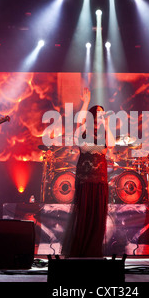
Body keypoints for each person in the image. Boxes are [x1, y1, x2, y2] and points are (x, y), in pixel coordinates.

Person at [62, 88, 114, 257]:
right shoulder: (84, 128)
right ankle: (81, 248)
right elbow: (82, 144)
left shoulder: (104, 130)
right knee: (84, 211)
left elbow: (110, 146)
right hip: (85, 175)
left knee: (98, 213)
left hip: (100, 176)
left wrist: (106, 126)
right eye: (99, 113)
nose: (101, 115)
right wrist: (85, 103)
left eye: (103, 113)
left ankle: (93, 249)